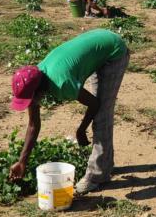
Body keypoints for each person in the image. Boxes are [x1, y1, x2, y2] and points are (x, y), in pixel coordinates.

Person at [7, 29, 129, 194]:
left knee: (101, 116)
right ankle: (105, 164)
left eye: (29, 100)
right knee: (100, 113)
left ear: (38, 91)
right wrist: (22, 161)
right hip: (97, 44)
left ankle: (96, 177)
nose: (30, 104)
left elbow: (94, 104)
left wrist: (81, 130)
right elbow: (33, 125)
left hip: (113, 51)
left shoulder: (62, 83)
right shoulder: (36, 76)